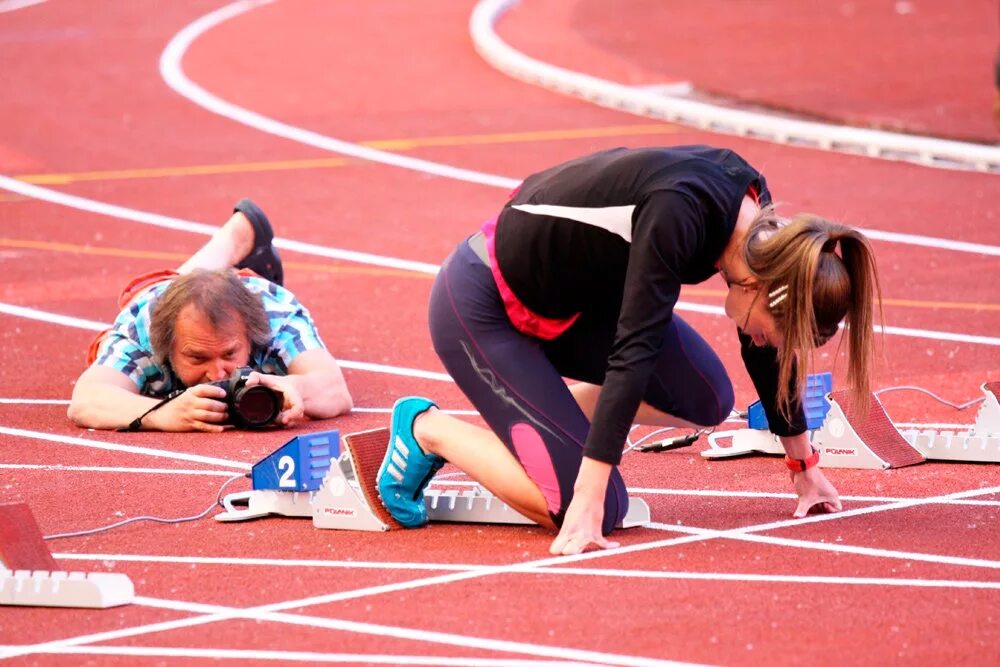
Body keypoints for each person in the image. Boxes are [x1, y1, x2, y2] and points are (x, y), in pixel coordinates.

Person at [375, 145, 882, 555]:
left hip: (577, 312)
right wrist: (587, 498)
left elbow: (759, 353)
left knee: (706, 398)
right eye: (774, 331)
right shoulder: (677, 212)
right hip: (486, 308)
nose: (765, 342)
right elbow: (632, 354)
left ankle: (545, 430)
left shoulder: (762, 230)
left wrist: (804, 468)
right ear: (762, 286)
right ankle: (427, 430)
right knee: (598, 504)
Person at [67, 199, 353, 432]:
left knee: (199, 290)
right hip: (158, 297)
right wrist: (161, 414)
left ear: (250, 335)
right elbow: (86, 400)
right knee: (113, 335)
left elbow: (336, 389)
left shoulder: (278, 317)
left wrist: (294, 388)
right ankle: (234, 239)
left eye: (229, 354)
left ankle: (235, 240)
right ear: (167, 344)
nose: (217, 374)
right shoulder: (141, 327)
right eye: (197, 357)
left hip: (242, 293)